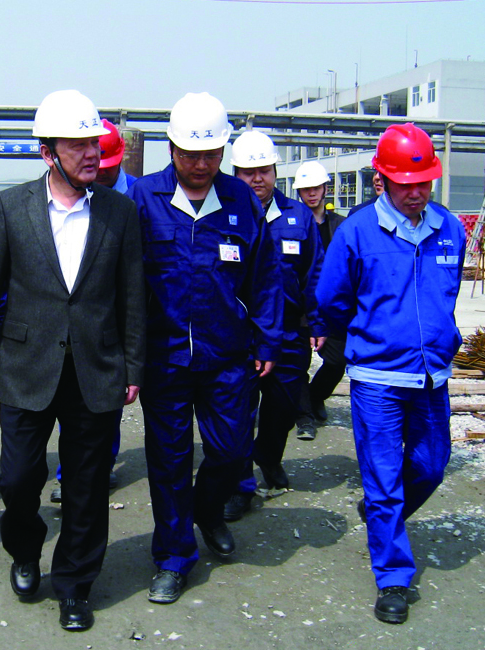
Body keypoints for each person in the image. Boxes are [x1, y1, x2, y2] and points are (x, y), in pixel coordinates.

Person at [0, 90, 145, 632]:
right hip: (27, 365)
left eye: (93, 144)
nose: (91, 154)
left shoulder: (119, 212)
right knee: (18, 479)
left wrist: (134, 367)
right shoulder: (10, 207)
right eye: (77, 145)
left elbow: (133, 296)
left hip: (96, 367)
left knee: (87, 486)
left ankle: (74, 585)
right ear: (48, 153)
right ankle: (24, 550)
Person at [126, 93, 282, 605]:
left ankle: (207, 510)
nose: (200, 165)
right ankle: (174, 557)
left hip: (227, 356)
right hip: (164, 359)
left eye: (211, 155)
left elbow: (265, 276)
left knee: (233, 451)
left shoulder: (241, 200)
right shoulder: (142, 199)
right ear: (171, 149)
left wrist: (267, 337)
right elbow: (123, 281)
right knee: (169, 462)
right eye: (190, 155)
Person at [316, 123, 465, 625]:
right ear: (383, 179)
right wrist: (373, 334)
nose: (416, 192)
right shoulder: (358, 232)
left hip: (431, 376)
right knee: (382, 479)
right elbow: (331, 300)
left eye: (424, 182)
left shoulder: (450, 229)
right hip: (378, 378)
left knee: (431, 466)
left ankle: (383, 514)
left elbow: (446, 294)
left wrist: (439, 337)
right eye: (406, 183)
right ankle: (394, 577)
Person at [225, 132, 326, 522]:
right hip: (242, 335)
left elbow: (315, 272)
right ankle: (240, 485)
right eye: (248, 172)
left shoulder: (298, 217)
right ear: (235, 173)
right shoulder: (225, 214)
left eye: (264, 171)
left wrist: (317, 321)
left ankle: (268, 456)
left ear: (275, 172)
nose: (257, 179)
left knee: (283, 408)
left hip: (289, 333)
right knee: (238, 413)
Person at [49, 118, 133, 504]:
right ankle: (69, 475)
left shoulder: (135, 201)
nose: (100, 171)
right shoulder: (66, 197)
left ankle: (99, 467)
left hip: (111, 328)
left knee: (104, 409)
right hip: (70, 329)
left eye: (107, 165)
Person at [289, 161, 346, 441]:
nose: (311, 194)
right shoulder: (292, 222)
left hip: (332, 304)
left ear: (325, 189)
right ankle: (304, 418)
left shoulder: (340, 225)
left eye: (316, 188)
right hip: (300, 303)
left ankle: (314, 396)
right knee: (299, 363)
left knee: (337, 360)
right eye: (305, 189)